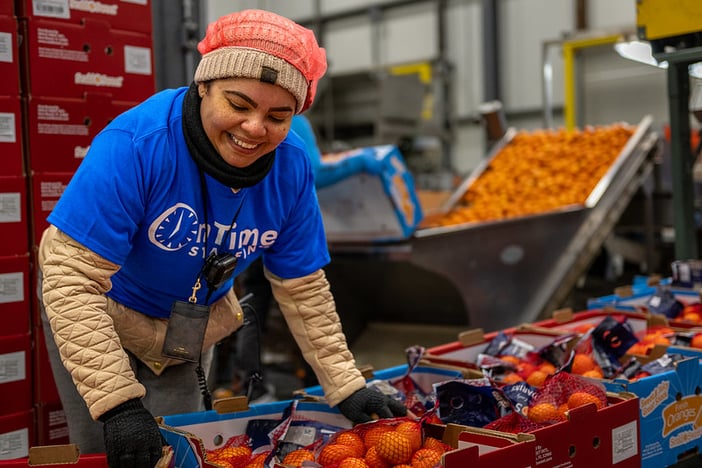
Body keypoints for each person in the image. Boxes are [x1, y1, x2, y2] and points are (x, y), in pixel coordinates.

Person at [37, 9, 407, 467]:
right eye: (238, 104)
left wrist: (345, 383)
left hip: (188, 327)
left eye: (278, 115)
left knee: (179, 451)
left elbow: (304, 288)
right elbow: (69, 276)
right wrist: (117, 403)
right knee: (111, 450)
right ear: (204, 87)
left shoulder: (290, 167)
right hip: (97, 314)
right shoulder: (139, 143)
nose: (255, 128)